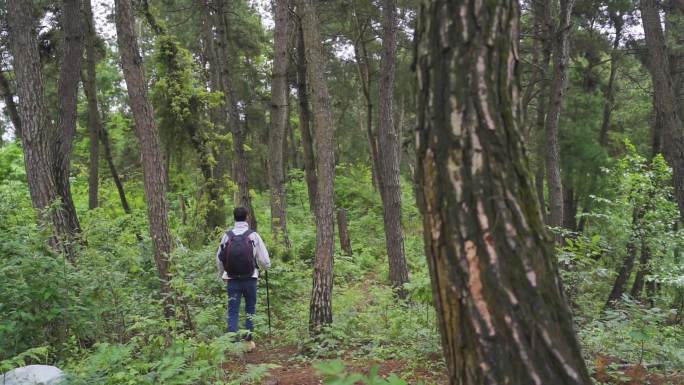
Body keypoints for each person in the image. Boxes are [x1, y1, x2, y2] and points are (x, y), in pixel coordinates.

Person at [216, 207, 270, 351]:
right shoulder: (253, 236)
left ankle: (232, 345)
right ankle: (248, 343)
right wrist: (266, 267)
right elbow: (264, 260)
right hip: (250, 278)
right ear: (247, 217)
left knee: (233, 311)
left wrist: (222, 274)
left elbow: (219, 259)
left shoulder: (227, 236)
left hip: (232, 279)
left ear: (234, 217)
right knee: (250, 309)